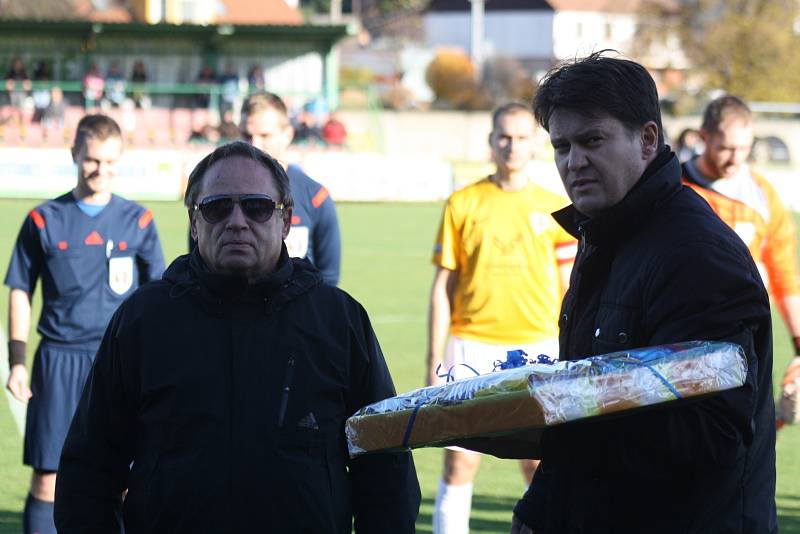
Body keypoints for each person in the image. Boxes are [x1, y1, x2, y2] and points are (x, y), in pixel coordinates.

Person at [54, 141, 421, 532]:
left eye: (257, 207)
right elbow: (89, 470)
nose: (237, 221)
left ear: (285, 221)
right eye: (216, 208)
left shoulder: (338, 320)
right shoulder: (143, 319)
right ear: (195, 223)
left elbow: (386, 469)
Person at [510, 51, 776, 534]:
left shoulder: (696, 255)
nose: (574, 162)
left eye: (592, 140)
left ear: (647, 139)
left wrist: (546, 433)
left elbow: (711, 434)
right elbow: (587, 393)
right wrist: (537, 512)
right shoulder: (605, 236)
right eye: (561, 146)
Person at [4, 114, 166, 534]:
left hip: (119, 363)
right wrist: (18, 362)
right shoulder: (43, 219)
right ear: (74, 153)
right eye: (92, 160)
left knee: (127, 479)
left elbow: (160, 301)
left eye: (111, 162)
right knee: (48, 477)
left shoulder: (139, 221)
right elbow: (20, 289)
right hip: (58, 360)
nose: (101, 170)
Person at [428, 103, 576, 534]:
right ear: (491, 142)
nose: (512, 146)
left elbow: (570, 290)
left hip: (538, 348)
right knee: (460, 459)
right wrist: (432, 360)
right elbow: (443, 287)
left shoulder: (555, 208)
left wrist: (571, 353)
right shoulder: (463, 203)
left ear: (536, 144)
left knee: (537, 463)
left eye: (522, 137)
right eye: (504, 137)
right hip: (469, 345)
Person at [682, 95, 800, 398]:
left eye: (744, 149)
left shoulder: (762, 195)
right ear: (704, 137)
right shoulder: (674, 187)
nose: (735, 159)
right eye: (725, 148)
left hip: (749, 337)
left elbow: (783, 271)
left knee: (753, 436)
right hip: (683, 337)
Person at [240, 92, 341, 285]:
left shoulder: (316, 197)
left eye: (264, 136)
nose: (254, 145)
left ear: (288, 135)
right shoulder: (214, 197)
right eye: (246, 135)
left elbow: (329, 278)